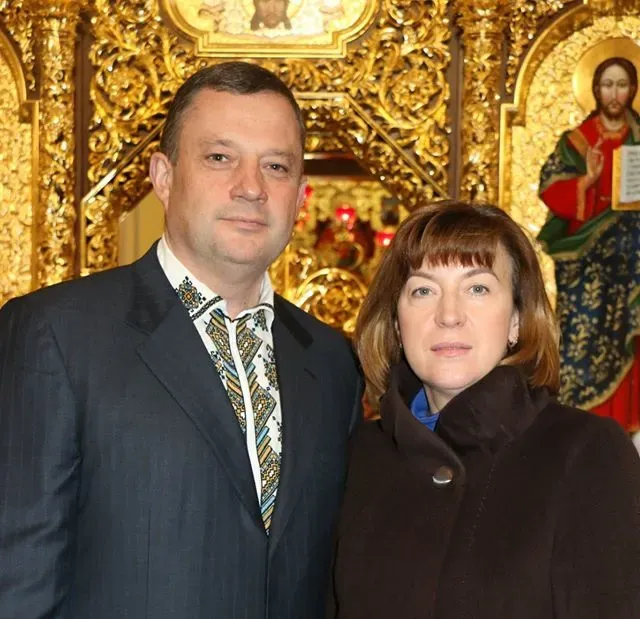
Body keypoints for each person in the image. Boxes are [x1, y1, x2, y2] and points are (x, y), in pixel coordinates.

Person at [0, 61, 362, 619]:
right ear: (164, 177)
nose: (251, 187)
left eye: (276, 166)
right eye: (219, 157)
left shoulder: (333, 361)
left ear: (300, 198)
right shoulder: (57, 335)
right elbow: (19, 582)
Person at [327, 201, 640, 619]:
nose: (449, 315)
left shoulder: (585, 451)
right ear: (398, 324)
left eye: (477, 289)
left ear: (516, 320)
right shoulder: (358, 455)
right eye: (423, 291)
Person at [538, 56, 640, 430]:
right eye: (607, 85)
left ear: (633, 90)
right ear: (596, 90)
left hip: (633, 255)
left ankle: (631, 427)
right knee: (584, 339)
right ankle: (583, 426)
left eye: (622, 85)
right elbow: (550, 187)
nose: (614, 93)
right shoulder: (577, 142)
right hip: (586, 258)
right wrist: (587, 181)